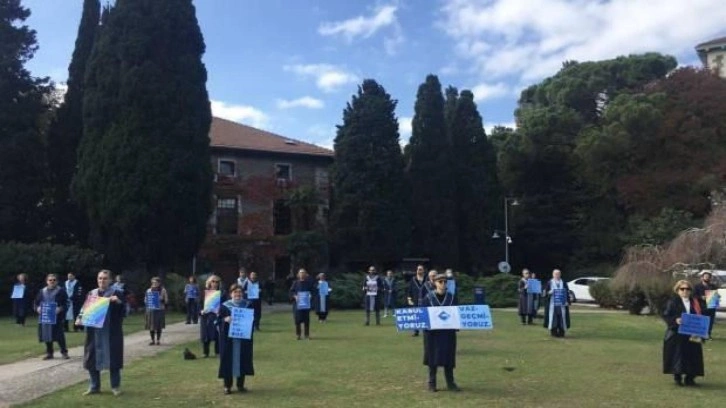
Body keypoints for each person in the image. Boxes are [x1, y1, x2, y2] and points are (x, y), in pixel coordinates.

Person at [76, 269, 125, 396]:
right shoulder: (92, 293)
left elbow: (124, 311)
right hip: (94, 332)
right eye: (100, 278)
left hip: (111, 332)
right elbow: (85, 308)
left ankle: (115, 387)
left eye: (105, 278)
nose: (102, 281)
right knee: (92, 358)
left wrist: (118, 302)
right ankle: (94, 386)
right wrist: (79, 318)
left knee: (113, 359)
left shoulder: (117, 292)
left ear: (110, 280)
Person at [663, 280, 706, 386]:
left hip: (693, 333)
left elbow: (703, 314)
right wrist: (675, 320)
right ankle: (677, 377)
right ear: (677, 290)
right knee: (678, 356)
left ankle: (690, 378)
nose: (685, 291)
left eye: (688, 289)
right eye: (682, 289)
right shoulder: (673, 302)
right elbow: (666, 315)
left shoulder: (695, 302)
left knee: (693, 355)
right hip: (677, 333)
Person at [421, 273, 459, 392]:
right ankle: (432, 383)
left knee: (448, 357)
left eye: (444, 282)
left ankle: (450, 383)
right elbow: (423, 315)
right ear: (435, 283)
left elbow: (457, 314)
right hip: (433, 334)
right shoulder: (428, 298)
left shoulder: (452, 297)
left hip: (447, 333)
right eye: (440, 282)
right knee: (433, 357)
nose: (443, 284)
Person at [217, 283, 255, 394]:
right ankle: (227, 386)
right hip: (229, 340)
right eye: (235, 292)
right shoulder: (224, 306)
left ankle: (240, 385)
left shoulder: (248, 305)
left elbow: (253, 319)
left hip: (243, 339)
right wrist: (225, 320)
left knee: (242, 359)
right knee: (228, 360)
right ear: (231, 294)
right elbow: (217, 321)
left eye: (239, 292)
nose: (237, 294)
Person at [35, 274, 69, 360]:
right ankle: (49, 353)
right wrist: (37, 308)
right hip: (45, 316)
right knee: (46, 334)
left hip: (57, 316)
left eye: (54, 280)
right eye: (50, 280)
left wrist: (60, 308)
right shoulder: (42, 291)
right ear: (47, 281)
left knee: (59, 335)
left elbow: (67, 303)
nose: (52, 282)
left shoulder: (61, 291)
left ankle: (64, 352)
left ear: (57, 281)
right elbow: (36, 302)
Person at [200, 275, 224, 358]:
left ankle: (217, 352)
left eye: (217, 282)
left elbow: (224, 304)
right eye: (213, 281)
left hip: (216, 315)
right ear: (209, 282)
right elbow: (199, 304)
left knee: (217, 334)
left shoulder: (222, 293)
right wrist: (201, 311)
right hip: (206, 316)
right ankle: (205, 352)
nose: (215, 283)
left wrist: (220, 311)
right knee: (205, 335)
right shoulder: (204, 293)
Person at [543, 269, 571, 337]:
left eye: (558, 274)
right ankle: (554, 332)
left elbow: (567, 292)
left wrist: (568, 301)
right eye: (555, 274)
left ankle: (562, 332)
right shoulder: (549, 282)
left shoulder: (563, 282)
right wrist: (549, 292)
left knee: (562, 318)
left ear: (560, 274)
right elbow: (544, 293)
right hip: (552, 304)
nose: (557, 275)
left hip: (562, 304)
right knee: (554, 318)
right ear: (553, 274)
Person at [290, 268, 315, 340]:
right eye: (300, 273)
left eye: (303, 273)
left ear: (306, 274)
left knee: (306, 320)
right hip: (297, 304)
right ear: (298, 274)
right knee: (297, 320)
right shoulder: (295, 283)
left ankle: (306, 335)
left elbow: (313, 291)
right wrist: (295, 296)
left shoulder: (308, 283)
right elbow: (291, 291)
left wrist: (310, 295)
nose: (302, 274)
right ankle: (298, 335)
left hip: (306, 305)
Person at [693, 271, 718, 339]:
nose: (707, 278)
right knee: (702, 320)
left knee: (710, 321)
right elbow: (694, 295)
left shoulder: (713, 286)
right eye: (706, 276)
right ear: (702, 278)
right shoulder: (697, 286)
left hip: (711, 306)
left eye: (709, 277)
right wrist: (701, 297)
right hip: (701, 306)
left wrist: (717, 297)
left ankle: (708, 334)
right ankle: (701, 334)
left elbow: (716, 295)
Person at [144, 277, 168, 345]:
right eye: (153, 282)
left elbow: (166, 300)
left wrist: (160, 299)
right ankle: (152, 340)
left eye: (156, 282)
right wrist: (148, 301)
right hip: (151, 310)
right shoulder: (148, 290)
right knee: (151, 326)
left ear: (159, 283)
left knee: (158, 326)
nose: (154, 284)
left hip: (159, 310)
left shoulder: (163, 290)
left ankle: (158, 340)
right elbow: (145, 299)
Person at [407, 265, 427, 337]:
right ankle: (416, 331)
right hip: (416, 300)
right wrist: (409, 299)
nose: (419, 271)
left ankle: (426, 331)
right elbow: (410, 290)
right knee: (416, 316)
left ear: (423, 270)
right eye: (418, 269)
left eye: (421, 269)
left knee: (425, 315)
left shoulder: (426, 279)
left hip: (425, 300)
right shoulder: (413, 279)